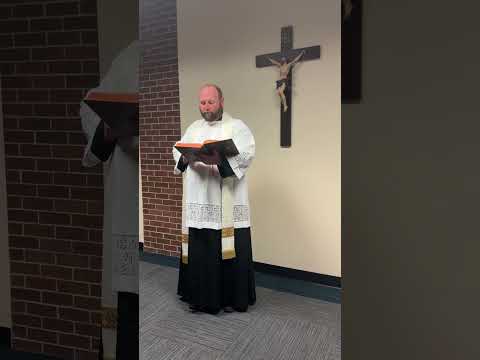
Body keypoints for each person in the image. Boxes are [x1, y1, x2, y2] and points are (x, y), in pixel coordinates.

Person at [172, 84, 256, 314]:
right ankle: (198, 297)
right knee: (201, 248)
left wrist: (220, 161)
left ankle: (229, 299)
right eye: (202, 102)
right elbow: (177, 150)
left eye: (210, 101)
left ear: (221, 101)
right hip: (199, 196)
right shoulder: (193, 127)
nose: (206, 106)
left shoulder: (236, 126)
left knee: (225, 247)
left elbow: (247, 153)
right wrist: (186, 156)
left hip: (224, 198)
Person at [80, 40, 139, 360]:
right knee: (132, 303)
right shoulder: (132, 54)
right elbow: (90, 106)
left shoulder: (196, 46)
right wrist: (109, 129)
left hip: (171, 185)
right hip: (130, 190)